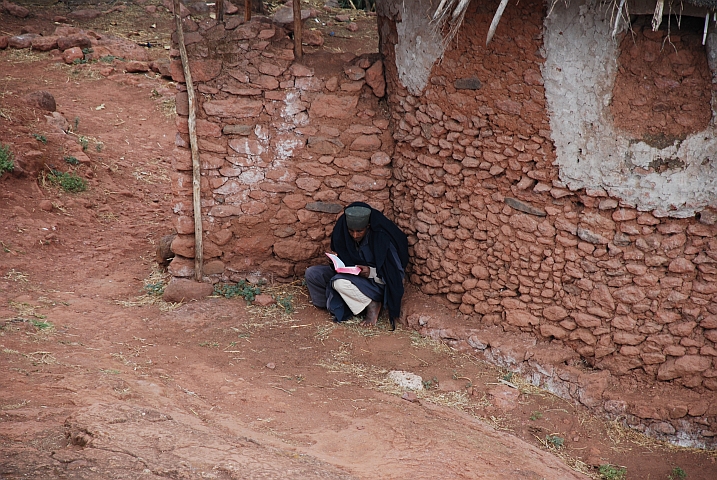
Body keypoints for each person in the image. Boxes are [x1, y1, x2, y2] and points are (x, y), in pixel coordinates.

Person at [305, 202, 409, 330]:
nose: (355, 235)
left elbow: (396, 274)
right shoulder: (343, 234)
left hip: (375, 282)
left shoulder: (382, 240)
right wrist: (336, 261)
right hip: (350, 276)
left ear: (368, 227)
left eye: (359, 231)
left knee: (339, 283)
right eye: (351, 231)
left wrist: (370, 272)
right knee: (313, 274)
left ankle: (372, 304)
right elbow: (345, 258)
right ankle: (337, 303)